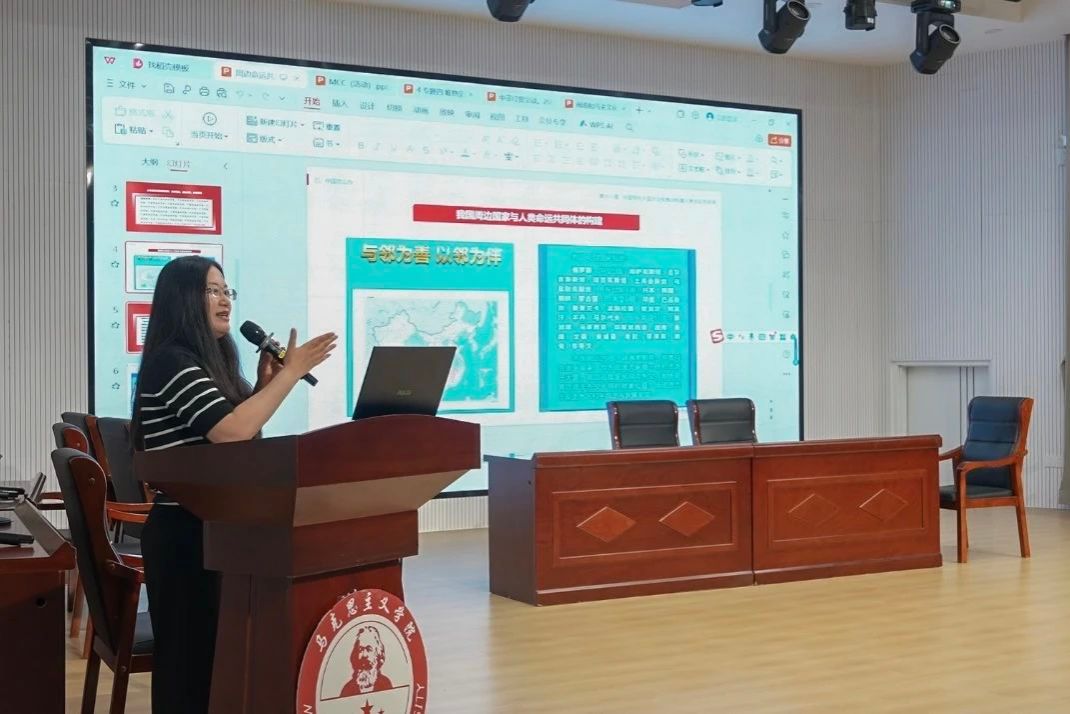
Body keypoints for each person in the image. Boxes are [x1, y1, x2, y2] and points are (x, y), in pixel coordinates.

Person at [132, 255, 336, 714]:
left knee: (217, 666)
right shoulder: (173, 361)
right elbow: (230, 432)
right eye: (213, 290)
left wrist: (262, 386)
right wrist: (289, 374)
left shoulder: (207, 361)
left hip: (216, 530)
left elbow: (236, 441)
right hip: (186, 534)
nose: (225, 300)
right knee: (189, 670)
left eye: (227, 290)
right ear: (184, 300)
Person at [339, 625, 394, 697]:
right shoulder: (347, 689)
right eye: (361, 649)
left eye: (369, 649)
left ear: (378, 654)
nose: (364, 655)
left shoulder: (386, 685)